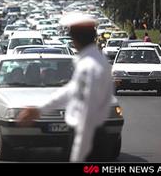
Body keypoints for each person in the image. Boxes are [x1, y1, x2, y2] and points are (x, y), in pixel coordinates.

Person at [17, 14, 114, 162]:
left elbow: (86, 116)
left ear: (74, 39)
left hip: (88, 140)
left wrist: (78, 156)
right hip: (92, 137)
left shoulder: (89, 67)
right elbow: (71, 91)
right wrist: (39, 110)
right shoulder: (93, 61)